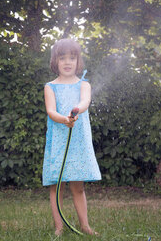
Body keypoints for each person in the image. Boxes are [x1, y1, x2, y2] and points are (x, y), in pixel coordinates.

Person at [42, 38, 102, 236]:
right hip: (59, 139)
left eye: (72, 58)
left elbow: (85, 102)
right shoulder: (50, 86)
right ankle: (59, 227)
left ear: (78, 61)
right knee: (56, 185)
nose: (67, 62)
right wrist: (64, 119)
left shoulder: (83, 84)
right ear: (55, 61)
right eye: (62, 58)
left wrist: (75, 111)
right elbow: (51, 111)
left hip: (78, 140)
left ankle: (85, 226)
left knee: (78, 186)